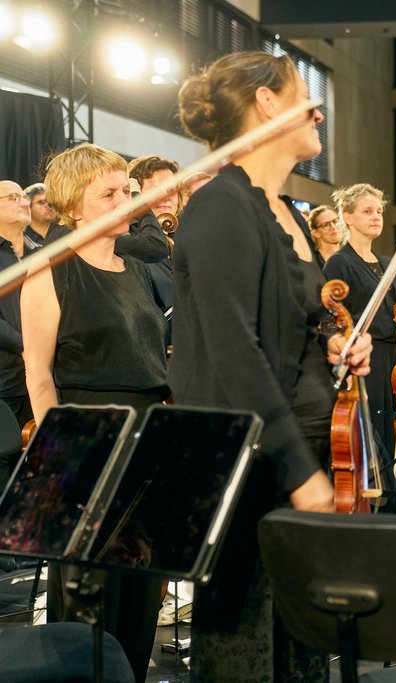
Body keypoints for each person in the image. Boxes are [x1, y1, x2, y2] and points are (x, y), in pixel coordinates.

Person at [174, 50, 371, 682]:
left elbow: (289, 328)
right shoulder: (222, 206)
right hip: (255, 465)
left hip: (300, 451)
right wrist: (297, 469)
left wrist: (335, 345)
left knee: (302, 644)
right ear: (267, 104)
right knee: (245, 649)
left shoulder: (283, 209)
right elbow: (235, 351)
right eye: (303, 95)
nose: (318, 111)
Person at [20, 144, 169, 683]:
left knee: (141, 592)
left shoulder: (136, 267)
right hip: (89, 439)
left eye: (127, 192)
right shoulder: (50, 269)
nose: (124, 202)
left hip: (149, 439)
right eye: (108, 194)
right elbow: (38, 374)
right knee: (88, 595)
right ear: (71, 206)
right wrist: (61, 458)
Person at [323, 183, 396, 479]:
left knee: (392, 442)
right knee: (372, 442)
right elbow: (330, 320)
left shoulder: (386, 264)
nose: (376, 216)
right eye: (367, 211)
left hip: (391, 360)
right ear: (348, 217)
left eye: (379, 211)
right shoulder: (340, 263)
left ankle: (390, 514)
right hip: (366, 362)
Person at [0, 181, 35, 430]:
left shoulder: (44, 253)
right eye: (13, 198)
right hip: (6, 380)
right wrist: (26, 345)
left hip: (47, 376)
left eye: (24, 196)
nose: (24, 202)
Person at [127, 155, 181, 315]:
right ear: (136, 194)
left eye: (172, 190)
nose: (166, 197)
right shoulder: (130, 241)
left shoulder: (186, 238)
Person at [23, 182, 55, 247]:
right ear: (28, 207)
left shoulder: (65, 232)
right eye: (42, 202)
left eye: (50, 202)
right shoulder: (22, 239)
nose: (48, 205)